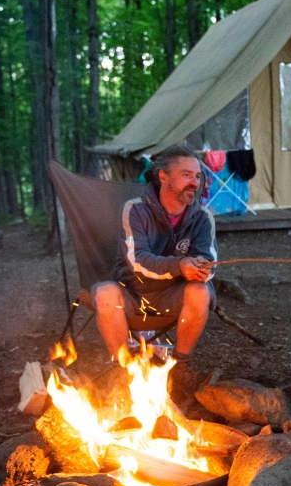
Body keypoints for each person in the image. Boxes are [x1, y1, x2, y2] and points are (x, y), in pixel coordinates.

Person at [92, 145, 218, 389]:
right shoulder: (134, 210)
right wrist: (180, 265)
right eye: (186, 175)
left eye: (198, 176)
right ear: (163, 176)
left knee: (200, 291)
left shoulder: (203, 218)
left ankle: (180, 364)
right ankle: (123, 369)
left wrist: (201, 269)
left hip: (173, 297)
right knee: (105, 293)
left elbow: (209, 263)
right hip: (133, 293)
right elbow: (137, 260)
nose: (195, 182)